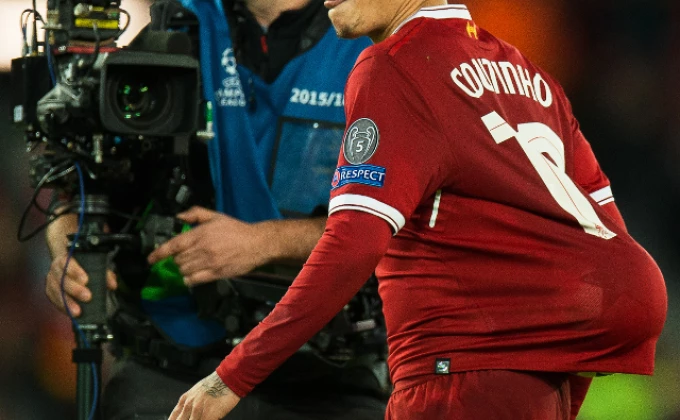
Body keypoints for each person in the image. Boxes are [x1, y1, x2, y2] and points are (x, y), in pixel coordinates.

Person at [168, 1, 669, 419]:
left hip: (461, 369)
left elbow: (352, 245)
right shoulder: (531, 76)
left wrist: (230, 378)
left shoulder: (396, 65)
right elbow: (605, 240)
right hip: (534, 368)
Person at [44, 0, 388, 419]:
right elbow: (79, 182)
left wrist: (262, 243)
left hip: (327, 377)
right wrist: (68, 250)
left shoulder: (373, 38)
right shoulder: (176, 29)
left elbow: (410, 221)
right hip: (173, 367)